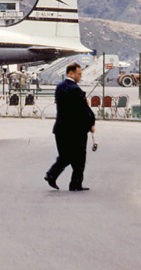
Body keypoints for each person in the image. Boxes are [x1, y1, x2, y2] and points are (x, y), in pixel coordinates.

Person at [45, 62, 96, 192]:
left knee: (65, 155)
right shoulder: (75, 89)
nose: (80, 76)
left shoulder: (60, 87)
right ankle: (73, 183)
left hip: (61, 128)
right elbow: (82, 110)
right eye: (78, 74)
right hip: (75, 130)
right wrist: (91, 123)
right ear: (71, 73)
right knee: (79, 157)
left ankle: (53, 175)